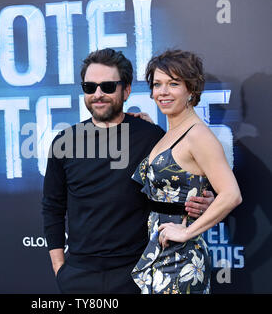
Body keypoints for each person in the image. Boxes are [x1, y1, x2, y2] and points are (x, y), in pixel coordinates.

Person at [42, 48, 214, 294]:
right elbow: (52, 207)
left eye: (108, 86)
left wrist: (205, 200)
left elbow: (180, 184)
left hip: (138, 274)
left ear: (127, 90)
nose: (98, 94)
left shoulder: (151, 137)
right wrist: (60, 269)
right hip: (78, 276)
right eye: (90, 87)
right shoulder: (64, 142)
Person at [131, 49, 242, 294]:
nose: (163, 92)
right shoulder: (170, 132)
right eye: (157, 84)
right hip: (160, 250)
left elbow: (231, 194)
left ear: (191, 89)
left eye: (173, 84)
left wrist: (187, 232)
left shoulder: (198, 135)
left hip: (181, 258)